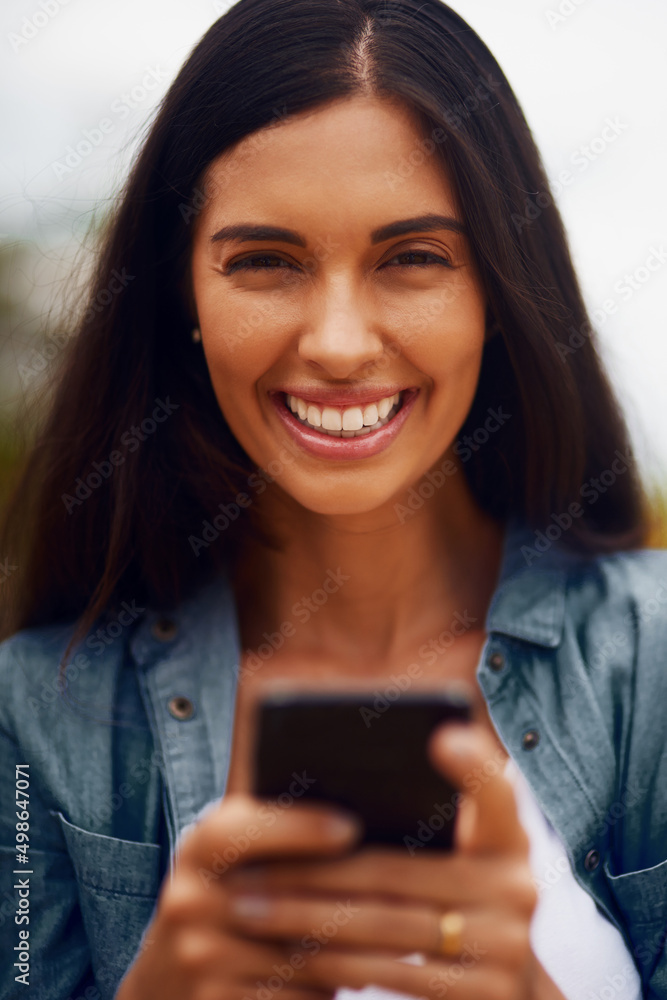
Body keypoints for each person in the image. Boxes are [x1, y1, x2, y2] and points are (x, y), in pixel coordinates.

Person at [0, 0, 665, 997]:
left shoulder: (652, 662)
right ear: (182, 296)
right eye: (264, 261)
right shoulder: (37, 715)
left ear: (496, 289)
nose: (340, 344)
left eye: (412, 258)